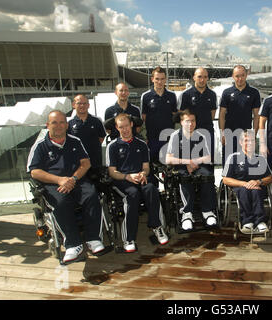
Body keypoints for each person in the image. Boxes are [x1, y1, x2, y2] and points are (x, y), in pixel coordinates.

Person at [27, 110, 105, 263]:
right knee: (61, 203)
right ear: (47, 125)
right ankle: (73, 244)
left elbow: (86, 163)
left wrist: (73, 178)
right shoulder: (40, 146)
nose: (58, 126)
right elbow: (34, 171)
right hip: (53, 184)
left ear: (67, 125)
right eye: (54, 122)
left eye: (62, 122)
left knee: (92, 196)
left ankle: (93, 239)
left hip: (77, 180)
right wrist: (59, 180)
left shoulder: (75, 141)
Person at [106, 113, 168, 252]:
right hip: (122, 181)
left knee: (151, 189)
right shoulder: (112, 146)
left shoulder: (141, 144)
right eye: (121, 127)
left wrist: (142, 174)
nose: (125, 130)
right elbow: (112, 172)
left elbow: (146, 167)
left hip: (140, 178)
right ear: (117, 127)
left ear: (132, 125)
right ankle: (129, 238)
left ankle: (157, 227)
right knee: (132, 195)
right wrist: (127, 177)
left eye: (127, 126)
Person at [166, 110, 217, 231]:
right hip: (181, 165)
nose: (190, 124)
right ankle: (187, 214)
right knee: (184, 177)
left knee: (207, 176)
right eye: (187, 121)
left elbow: (208, 157)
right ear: (182, 122)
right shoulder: (175, 136)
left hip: (198, 165)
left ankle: (207, 211)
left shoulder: (201, 136)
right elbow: (168, 159)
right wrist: (187, 162)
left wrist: (194, 162)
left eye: (193, 120)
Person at [222, 130, 272, 233]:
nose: (249, 143)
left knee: (256, 191)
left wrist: (259, 181)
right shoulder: (233, 158)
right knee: (244, 190)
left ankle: (259, 222)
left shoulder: (261, 159)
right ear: (240, 142)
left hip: (257, 187)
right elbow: (225, 179)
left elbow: (270, 178)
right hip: (239, 186)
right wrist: (245, 184)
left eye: (252, 140)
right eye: (246, 140)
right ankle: (247, 221)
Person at [219, 65, 261, 166]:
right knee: (228, 162)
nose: (240, 78)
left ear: (246, 75)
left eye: (242, 75)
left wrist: (254, 134)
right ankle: (227, 181)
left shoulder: (254, 93)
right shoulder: (227, 92)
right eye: (237, 76)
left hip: (246, 135)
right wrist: (222, 133)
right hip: (229, 133)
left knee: (245, 163)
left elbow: (256, 116)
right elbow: (221, 115)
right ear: (233, 76)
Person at [178, 67, 217, 165]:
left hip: (207, 133)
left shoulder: (212, 95)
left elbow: (212, 113)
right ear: (194, 77)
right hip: (190, 134)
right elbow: (181, 115)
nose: (202, 80)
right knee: (191, 164)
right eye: (199, 77)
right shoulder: (186, 94)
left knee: (208, 163)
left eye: (205, 77)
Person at [141, 67, 177, 164]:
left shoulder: (172, 95)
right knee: (152, 169)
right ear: (152, 79)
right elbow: (143, 119)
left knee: (169, 170)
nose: (159, 82)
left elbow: (175, 118)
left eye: (162, 79)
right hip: (152, 139)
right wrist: (145, 138)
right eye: (157, 79)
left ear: (165, 80)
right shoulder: (146, 96)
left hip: (168, 139)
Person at [68, 94, 106, 178]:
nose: (82, 105)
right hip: (78, 165)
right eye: (79, 103)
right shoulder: (69, 124)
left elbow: (101, 138)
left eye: (84, 103)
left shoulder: (97, 121)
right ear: (73, 105)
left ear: (88, 105)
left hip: (95, 163)